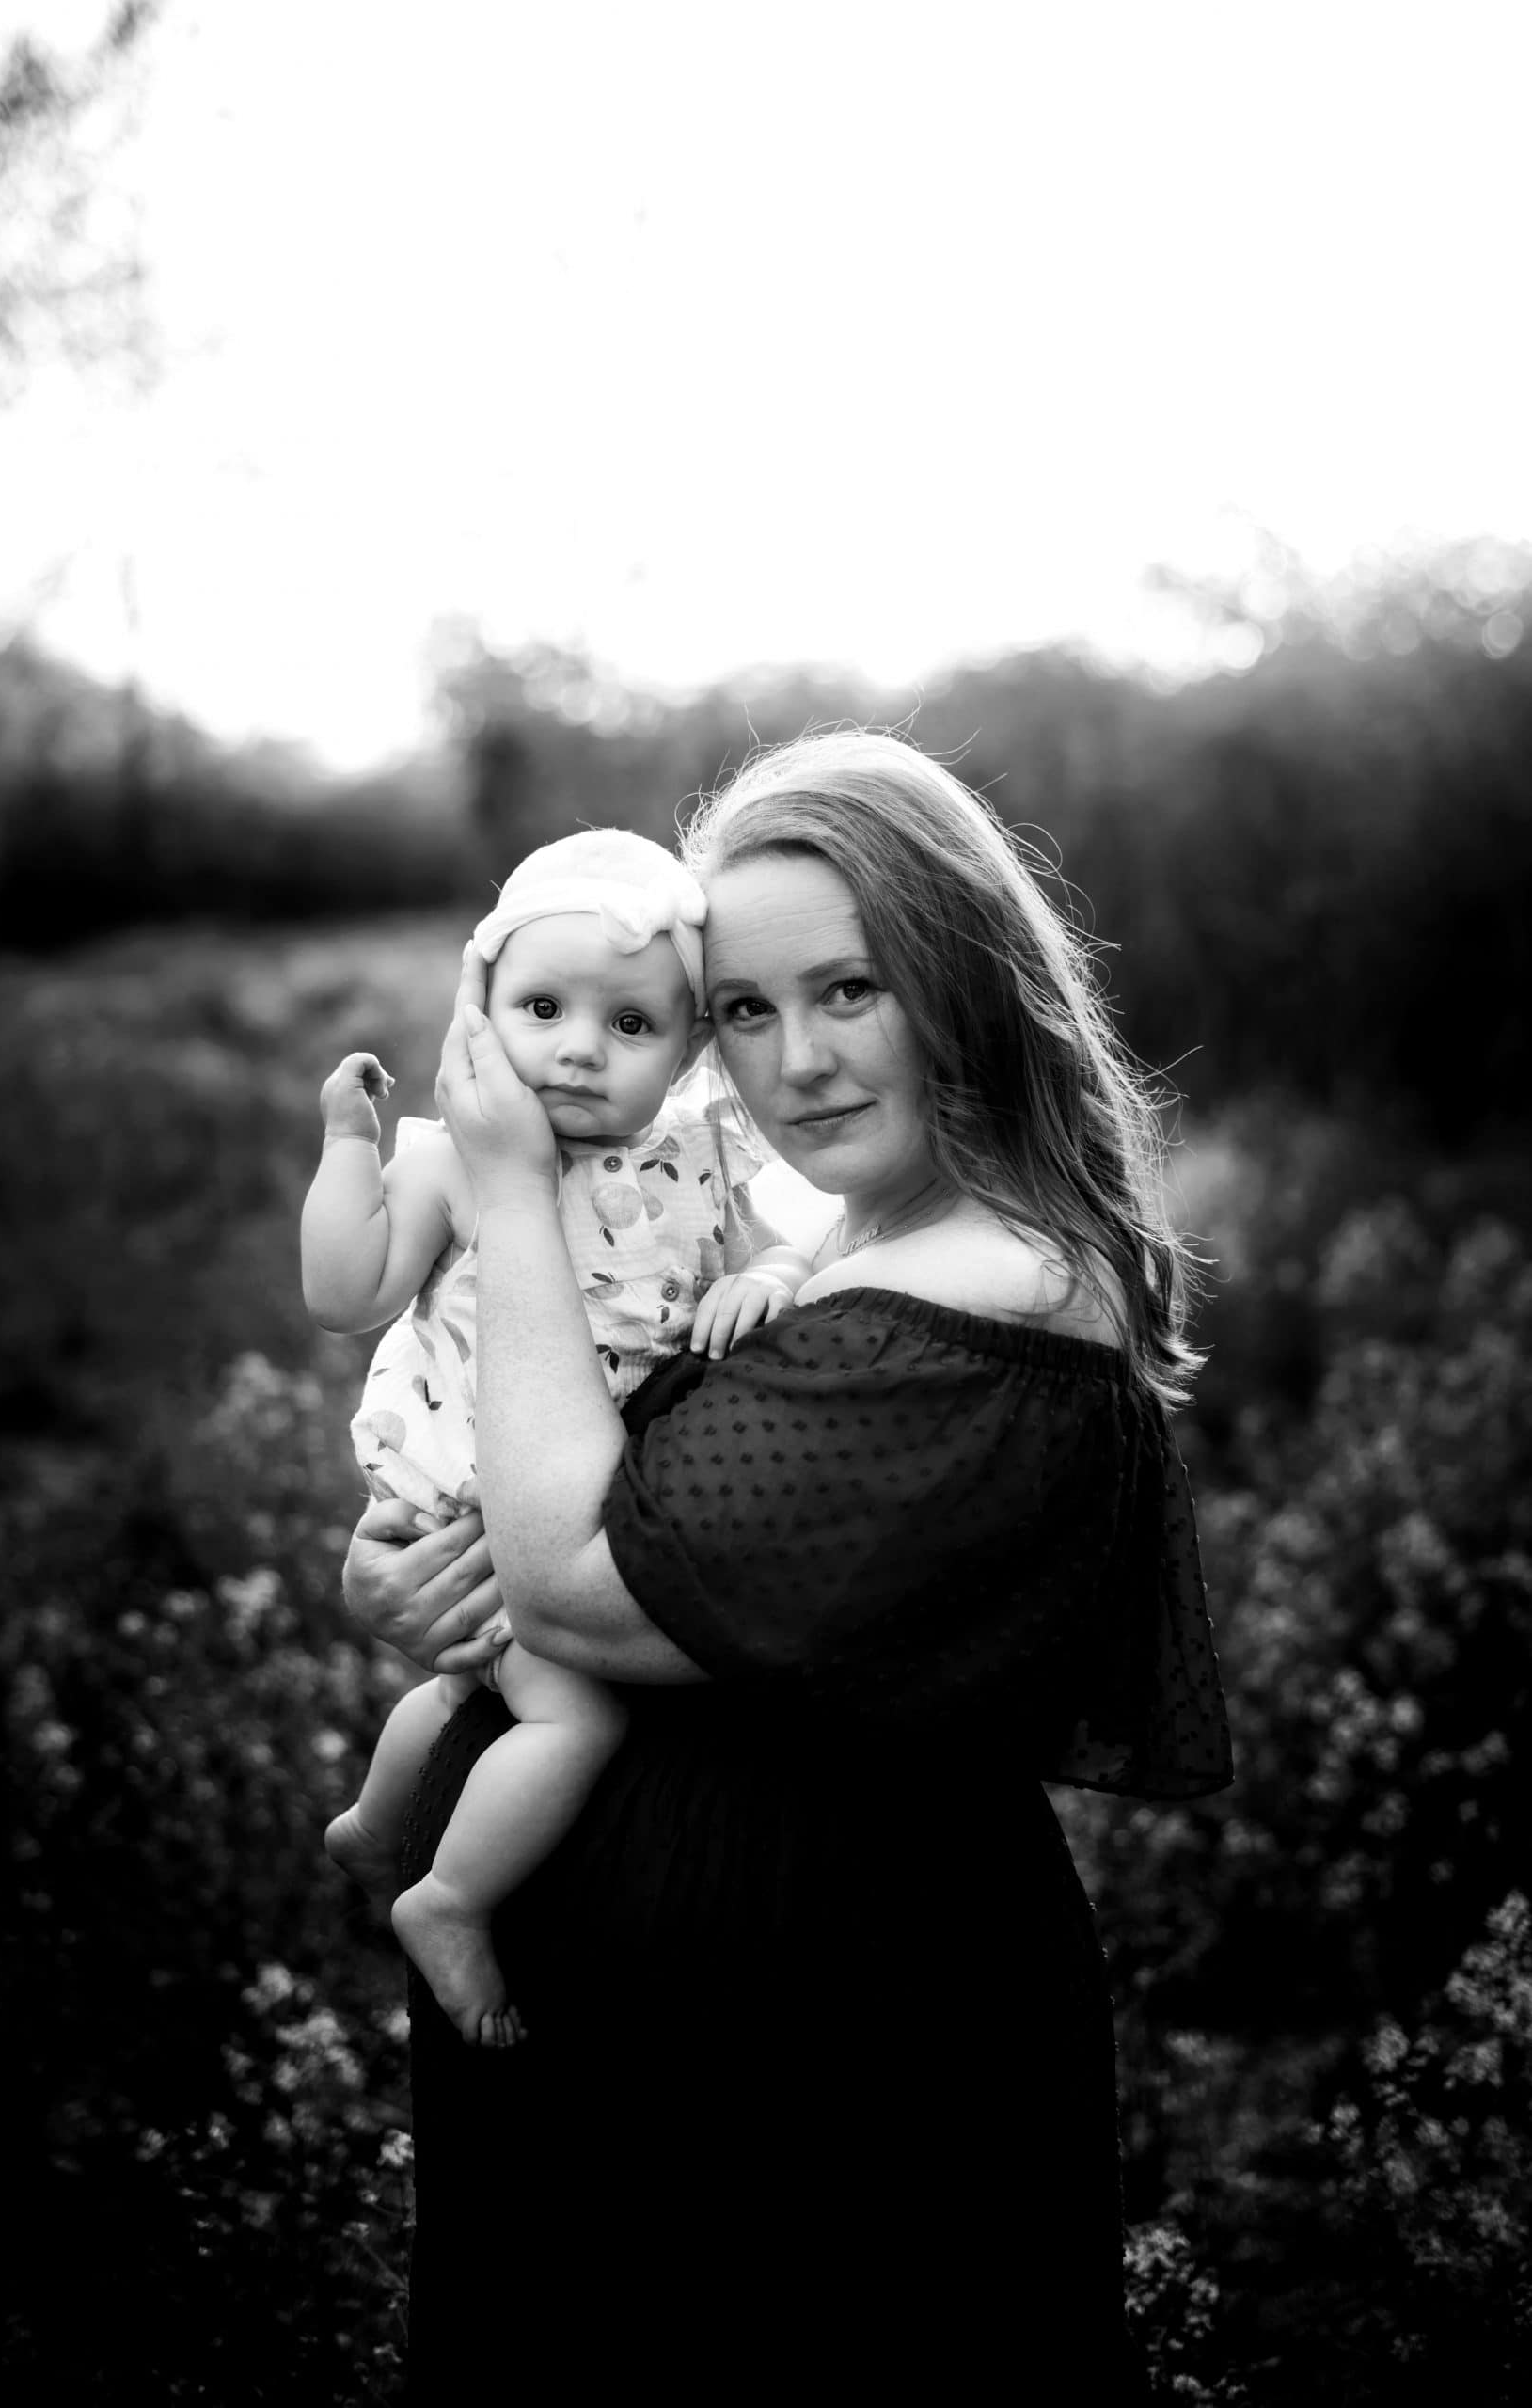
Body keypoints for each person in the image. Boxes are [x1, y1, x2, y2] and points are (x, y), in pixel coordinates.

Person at [340, 732, 1233, 2397]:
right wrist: (395, 1579)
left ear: (964, 979)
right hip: (635, 2029)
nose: (797, 1062)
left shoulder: (993, 1297)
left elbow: (580, 1588)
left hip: (815, 2054)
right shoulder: (830, 1244)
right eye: (744, 1011)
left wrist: (518, 1199)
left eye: (851, 989)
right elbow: (543, 1487)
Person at [302, 828, 809, 2043]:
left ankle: (378, 1824)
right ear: (482, 1011)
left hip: (576, 1504)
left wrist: (773, 1277)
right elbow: (344, 1293)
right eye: (543, 1008)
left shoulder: (701, 1158)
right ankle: (449, 1897)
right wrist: (348, 1150)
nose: (580, 1046)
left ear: (689, 1048)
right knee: (576, 1714)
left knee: (469, 1684)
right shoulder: (450, 1161)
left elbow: (778, 1248)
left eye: (630, 1026)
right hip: (464, 1497)